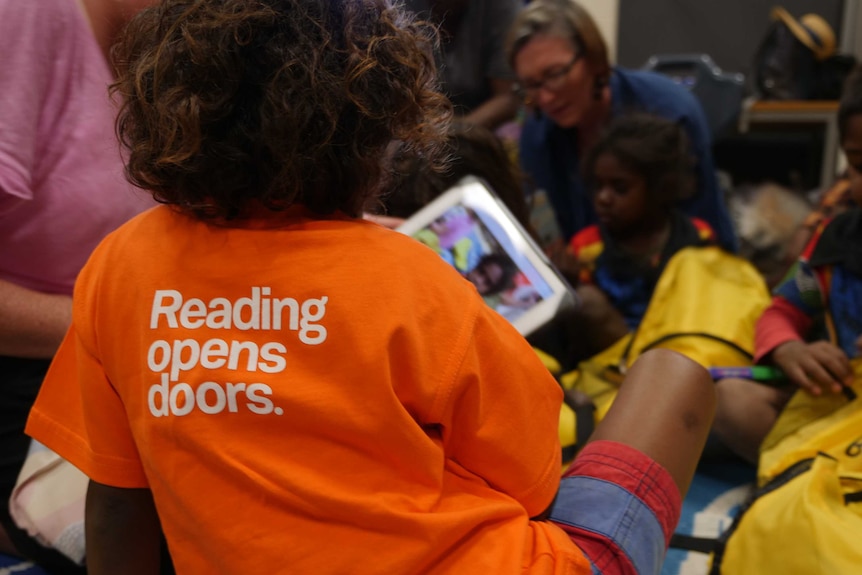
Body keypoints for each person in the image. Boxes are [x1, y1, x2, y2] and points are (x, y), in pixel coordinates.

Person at [24, 2, 716, 574]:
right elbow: (533, 483)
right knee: (673, 374)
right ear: (376, 133)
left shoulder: (119, 268)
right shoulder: (415, 279)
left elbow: (117, 501)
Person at [0, 0, 152, 571]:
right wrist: (129, 329)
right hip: (28, 385)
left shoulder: (158, 47)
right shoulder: (24, 15)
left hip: (135, 362)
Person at [713, 64, 862, 464]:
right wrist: (790, 349)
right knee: (731, 400)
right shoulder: (834, 246)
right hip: (836, 412)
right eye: (859, 164)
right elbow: (784, 311)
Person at [507, 0, 737, 254]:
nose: (546, 98)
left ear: (594, 59)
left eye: (555, 74)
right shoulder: (537, 134)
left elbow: (702, 235)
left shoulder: (671, 113)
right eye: (531, 85)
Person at [570, 113, 716, 332]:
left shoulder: (698, 235)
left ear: (659, 189)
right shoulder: (586, 246)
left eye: (620, 188)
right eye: (598, 186)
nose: (603, 198)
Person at [400, 0, 522, 130]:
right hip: (420, 126)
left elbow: (508, 97)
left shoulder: (501, 6)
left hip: (482, 129)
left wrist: (457, 134)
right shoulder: (400, 6)